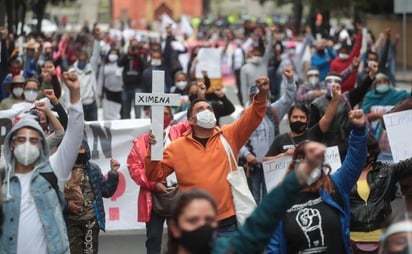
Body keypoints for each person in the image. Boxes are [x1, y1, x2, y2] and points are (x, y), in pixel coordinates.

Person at [145, 76, 270, 237]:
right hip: (194, 226)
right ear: (191, 119)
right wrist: (152, 151)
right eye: (200, 109)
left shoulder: (229, 135)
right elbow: (154, 174)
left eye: (209, 109)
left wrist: (262, 95)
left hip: (228, 225)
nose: (207, 111)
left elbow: (252, 117)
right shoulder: (177, 147)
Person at [1, 72, 84, 254]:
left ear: (41, 144)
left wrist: (75, 96)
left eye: (33, 140)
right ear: (12, 143)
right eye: (22, 139)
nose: (27, 145)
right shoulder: (3, 181)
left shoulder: (54, 169)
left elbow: (74, 134)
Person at [266, 109, 368, 254]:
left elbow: (355, 161)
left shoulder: (335, 185)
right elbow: (273, 248)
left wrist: (358, 130)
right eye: (303, 158)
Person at [127, 106, 190, 254]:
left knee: (179, 238)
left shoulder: (181, 134)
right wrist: (154, 184)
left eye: (166, 113)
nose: (162, 117)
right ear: (151, 117)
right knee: (153, 238)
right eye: (158, 114)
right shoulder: (140, 142)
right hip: (153, 197)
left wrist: (198, 96)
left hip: (179, 194)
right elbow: (134, 169)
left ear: (171, 117)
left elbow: (196, 118)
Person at [239, 67, 297, 203]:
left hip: (273, 164)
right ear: (251, 97)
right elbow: (236, 139)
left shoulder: (274, 110)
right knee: (253, 200)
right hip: (252, 166)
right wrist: (247, 154)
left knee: (270, 198)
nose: (259, 99)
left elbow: (289, 98)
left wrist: (290, 80)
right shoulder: (243, 116)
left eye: (262, 95)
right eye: (256, 96)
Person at [350, 134, 412, 254]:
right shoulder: (343, 175)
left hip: (381, 239)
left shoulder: (387, 170)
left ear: (372, 152)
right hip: (352, 242)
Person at [309, 62, 377, 159]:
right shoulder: (316, 104)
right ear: (325, 84)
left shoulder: (346, 99)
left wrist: (371, 75)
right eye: (329, 81)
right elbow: (312, 131)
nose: (333, 84)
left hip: (345, 145)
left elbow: (361, 89)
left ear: (341, 85)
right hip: (326, 148)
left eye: (336, 81)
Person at [64, 140, 120, 254]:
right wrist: (67, 205)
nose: (78, 151)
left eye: (81, 148)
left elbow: (106, 191)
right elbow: (54, 196)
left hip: (91, 221)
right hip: (71, 221)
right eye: (75, 148)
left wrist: (113, 174)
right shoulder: (63, 170)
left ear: (86, 150)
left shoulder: (93, 169)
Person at [265, 83, 341, 161]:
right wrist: (283, 155)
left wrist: (336, 98)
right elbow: (265, 160)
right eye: (295, 117)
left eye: (302, 117)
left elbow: (327, 118)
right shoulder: (280, 139)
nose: (298, 119)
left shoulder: (314, 133)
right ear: (289, 119)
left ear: (307, 120)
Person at [361, 73, 411, 161]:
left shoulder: (398, 96)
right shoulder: (369, 97)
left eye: (385, 81)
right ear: (375, 85)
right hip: (374, 136)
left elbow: (408, 101)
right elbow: (362, 116)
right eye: (379, 82)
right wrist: (376, 115)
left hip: (394, 137)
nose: (382, 84)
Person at [68, 28, 100, 121]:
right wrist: (67, 107)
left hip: (91, 105)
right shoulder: (71, 72)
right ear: (77, 59)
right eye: (80, 60)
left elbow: (96, 55)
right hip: (78, 105)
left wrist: (97, 39)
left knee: (93, 130)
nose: (82, 62)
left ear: (87, 60)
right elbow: (67, 92)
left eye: (84, 60)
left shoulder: (91, 68)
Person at [240, 26, 274, 106]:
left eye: (259, 53)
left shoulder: (264, 63)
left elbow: (269, 47)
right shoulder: (245, 68)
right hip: (251, 99)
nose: (256, 54)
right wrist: (245, 103)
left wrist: (270, 33)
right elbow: (243, 86)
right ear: (250, 53)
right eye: (254, 52)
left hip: (265, 98)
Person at [330, 23, 363, 92]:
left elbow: (357, 46)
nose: (344, 54)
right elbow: (332, 78)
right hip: (339, 91)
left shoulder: (352, 60)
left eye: (346, 52)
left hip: (351, 90)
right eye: (342, 52)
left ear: (349, 52)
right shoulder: (334, 63)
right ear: (339, 52)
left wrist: (360, 33)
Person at [119, 38, 145, 119]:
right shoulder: (126, 56)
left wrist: (138, 55)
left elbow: (144, 66)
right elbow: (119, 63)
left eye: (135, 47)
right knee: (126, 111)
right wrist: (127, 53)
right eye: (133, 47)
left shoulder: (140, 55)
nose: (134, 49)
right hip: (126, 86)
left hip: (137, 86)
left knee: (138, 111)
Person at [97, 48, 124, 120]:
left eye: (115, 54)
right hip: (108, 91)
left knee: (117, 111)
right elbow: (100, 79)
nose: (113, 55)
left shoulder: (121, 65)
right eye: (112, 53)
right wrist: (99, 92)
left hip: (119, 91)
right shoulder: (104, 66)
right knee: (108, 111)